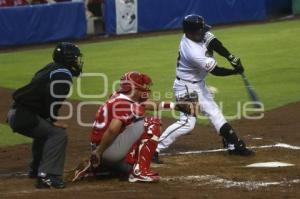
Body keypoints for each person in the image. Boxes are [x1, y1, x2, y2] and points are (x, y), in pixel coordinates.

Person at [153, 14, 254, 164]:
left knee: (215, 113)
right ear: (190, 32)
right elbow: (216, 71)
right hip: (186, 87)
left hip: (198, 84)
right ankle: (154, 148)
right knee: (187, 123)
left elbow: (213, 42)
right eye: (200, 31)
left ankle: (233, 145)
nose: (203, 33)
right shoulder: (192, 51)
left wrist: (230, 57)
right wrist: (234, 71)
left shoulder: (197, 34)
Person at [72, 71, 193, 183]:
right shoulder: (124, 105)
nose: (145, 90)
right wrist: (98, 152)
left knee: (127, 167)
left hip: (104, 149)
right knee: (151, 123)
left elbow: (147, 104)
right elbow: (113, 129)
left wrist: (175, 106)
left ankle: (99, 169)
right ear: (133, 89)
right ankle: (140, 172)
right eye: (141, 88)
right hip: (106, 150)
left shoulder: (118, 97)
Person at [6, 42, 83, 189]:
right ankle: (47, 176)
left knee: (44, 133)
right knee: (58, 135)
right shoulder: (63, 74)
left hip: (16, 112)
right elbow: (52, 96)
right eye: (75, 58)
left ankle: (35, 170)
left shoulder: (50, 68)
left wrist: (48, 119)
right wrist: (52, 119)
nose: (77, 61)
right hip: (23, 115)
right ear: (68, 59)